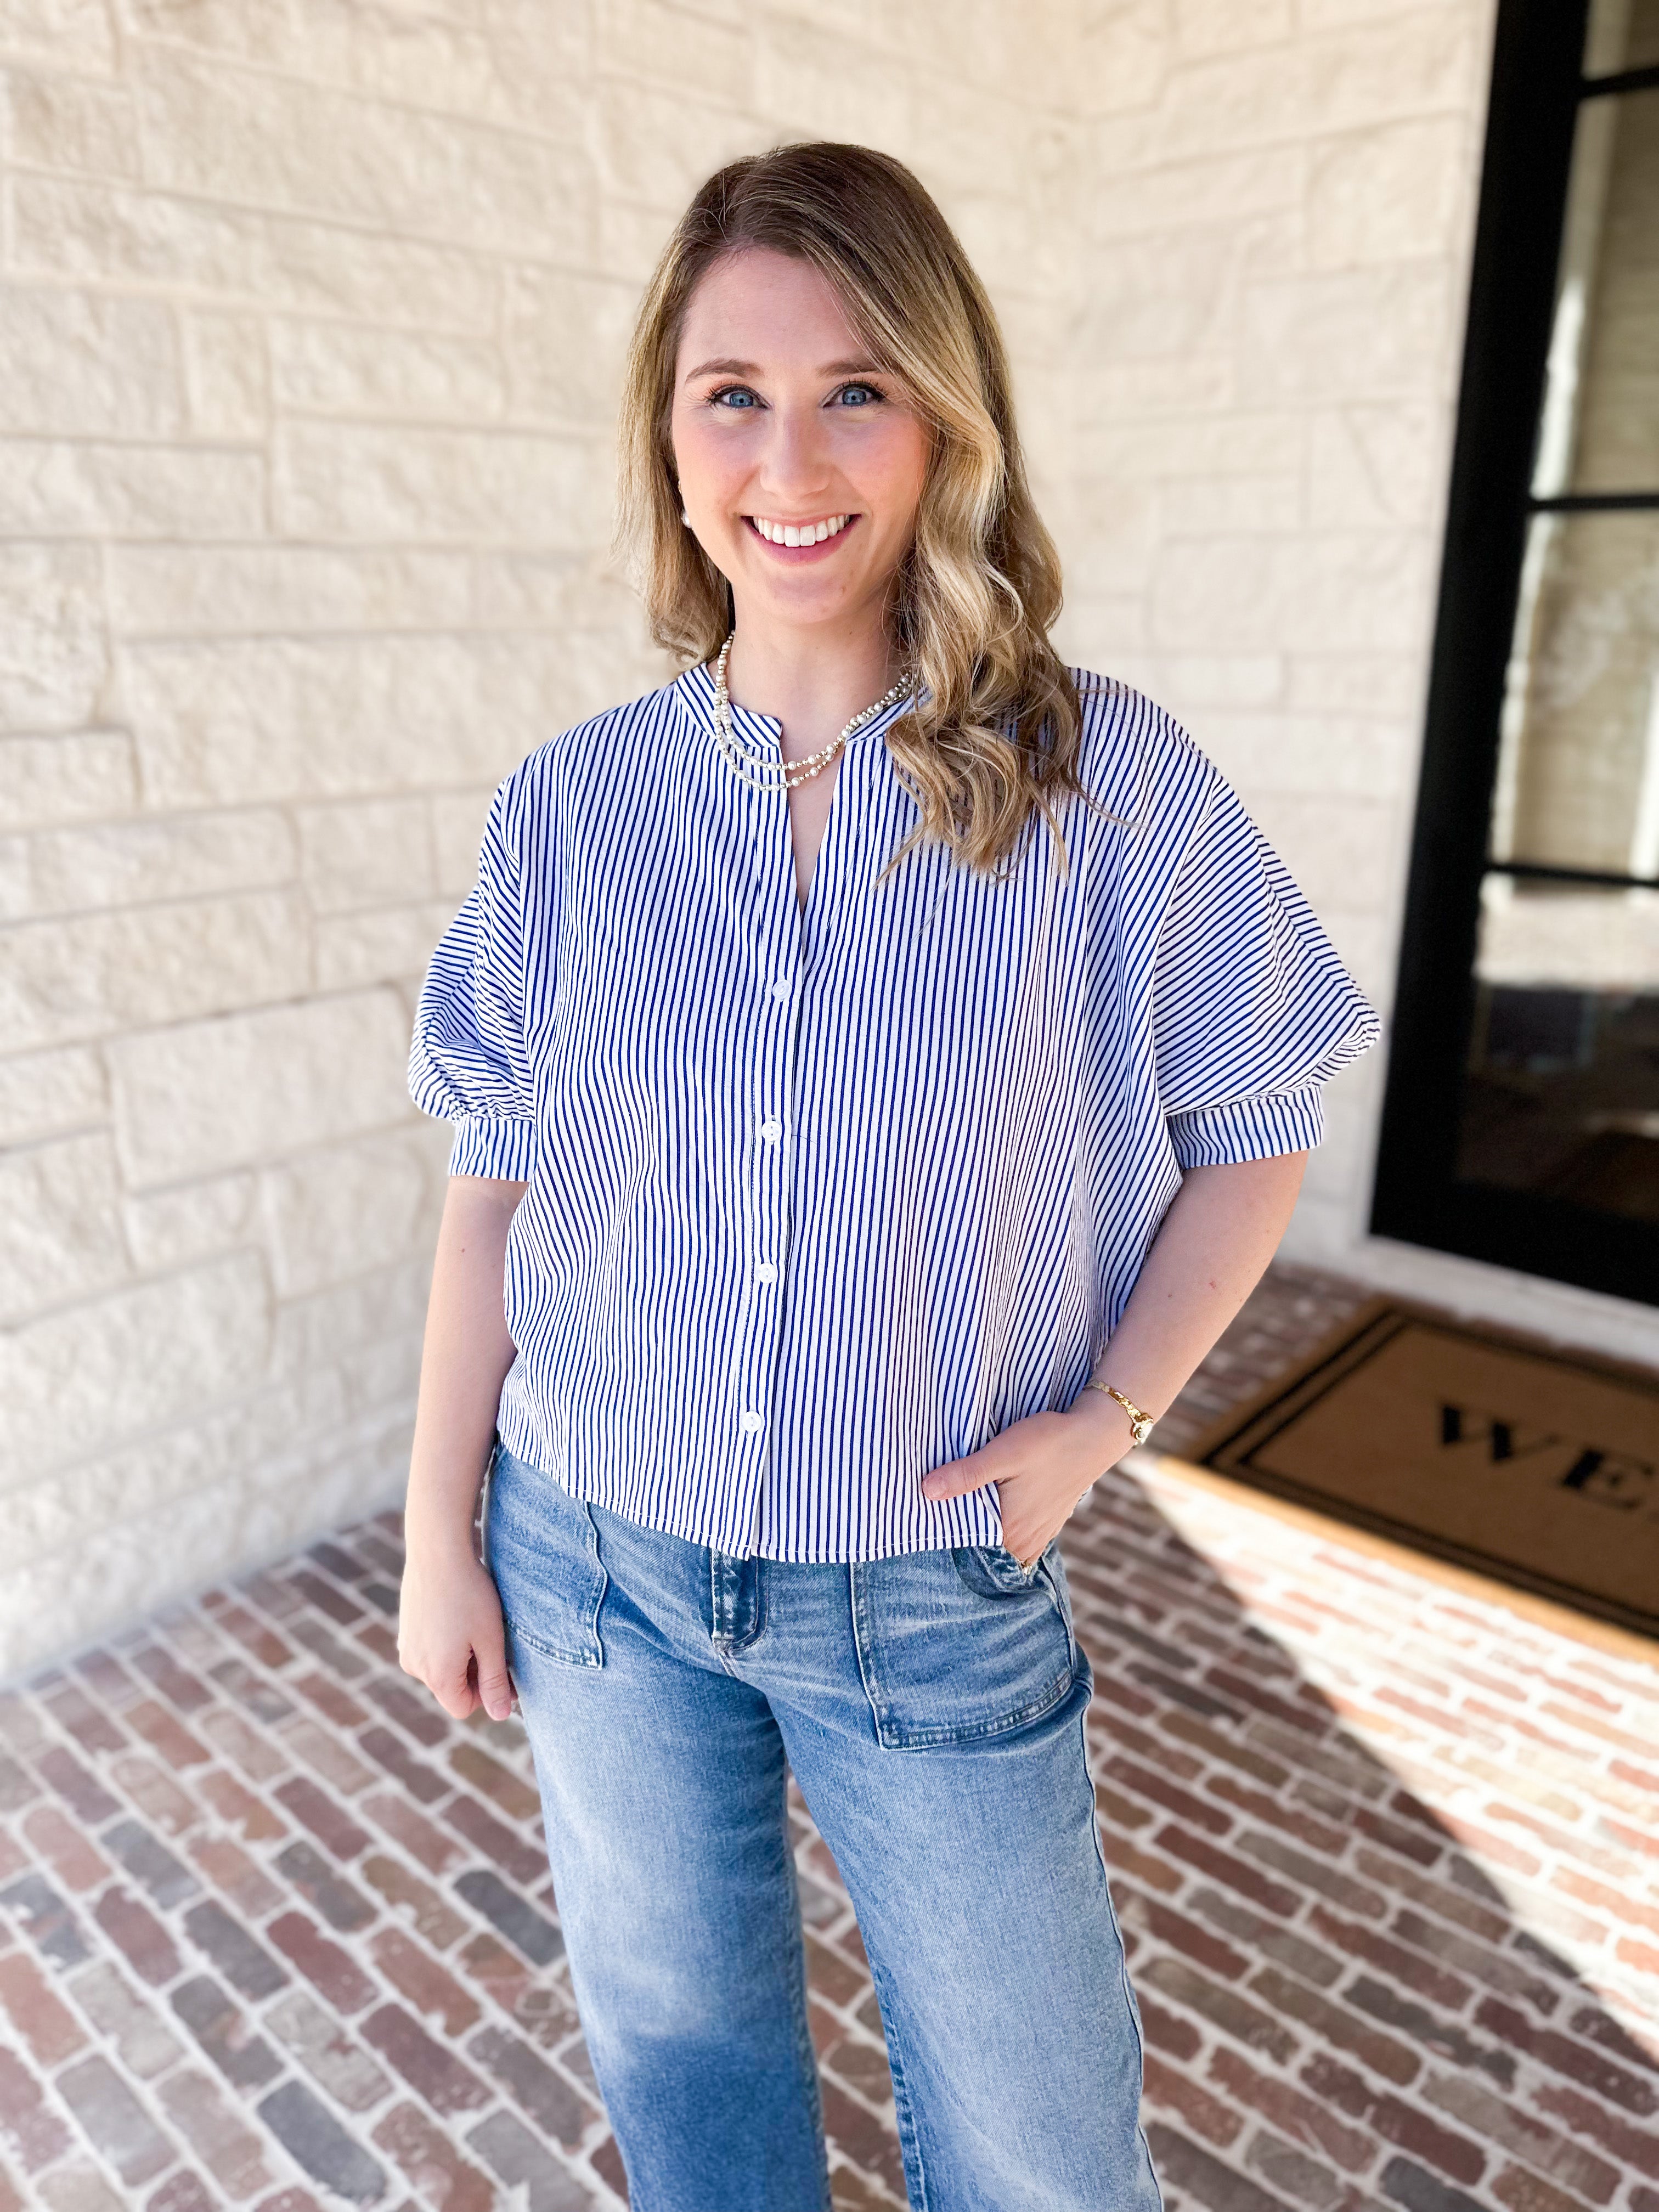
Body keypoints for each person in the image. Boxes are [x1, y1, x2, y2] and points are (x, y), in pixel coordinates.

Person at [398, 140, 1377, 2212]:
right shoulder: (575, 809)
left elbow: (1263, 1114)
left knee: (1049, 2160)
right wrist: (437, 1538)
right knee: (698, 2115)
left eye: (857, 386)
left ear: (945, 417)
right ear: (668, 445)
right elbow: (495, 1183)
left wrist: (1103, 1430)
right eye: (728, 393)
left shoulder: (1103, 782)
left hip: (930, 1593)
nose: (790, 454)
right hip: (596, 1574)